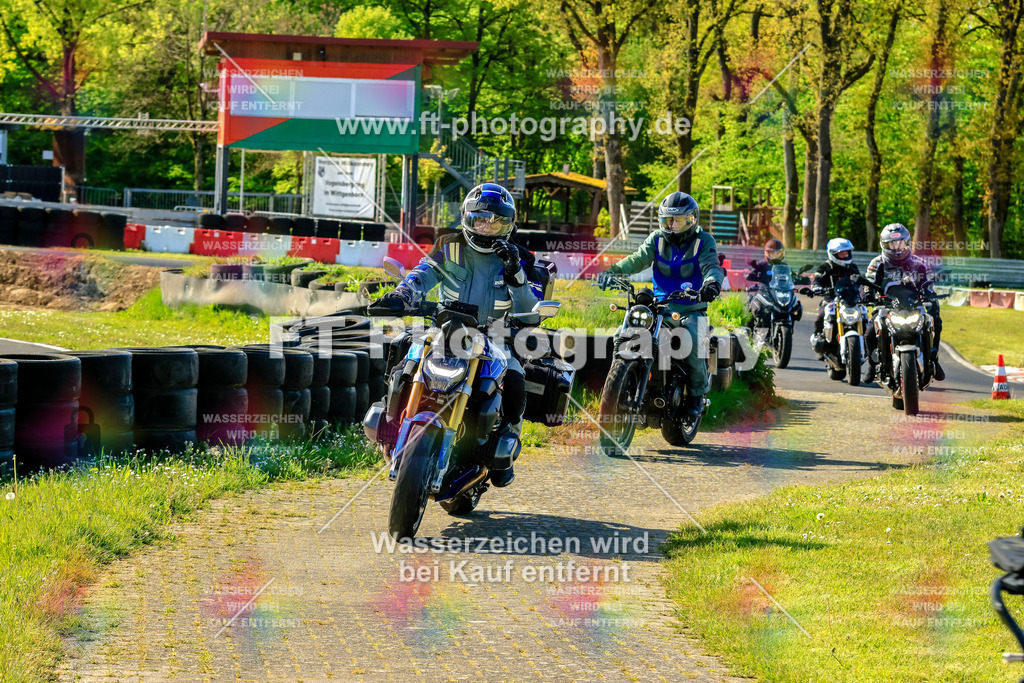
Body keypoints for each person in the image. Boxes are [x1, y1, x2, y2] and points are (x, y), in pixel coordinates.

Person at [377, 183, 540, 487]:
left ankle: (503, 452)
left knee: (516, 379)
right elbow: (424, 273)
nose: (488, 226)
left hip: (496, 334)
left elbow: (531, 313)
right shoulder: (450, 246)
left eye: (497, 221)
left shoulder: (522, 259)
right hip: (445, 326)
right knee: (404, 360)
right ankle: (389, 427)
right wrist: (402, 293)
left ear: (510, 224)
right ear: (468, 218)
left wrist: (515, 274)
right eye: (481, 219)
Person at [596, 192, 725, 420]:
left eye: (678, 220)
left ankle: (696, 398)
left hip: (690, 308)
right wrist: (612, 272)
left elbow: (711, 266)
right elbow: (637, 259)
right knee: (621, 335)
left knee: (693, 342)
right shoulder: (656, 239)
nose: (672, 226)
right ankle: (621, 384)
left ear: (692, 219)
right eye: (667, 220)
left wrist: (712, 284)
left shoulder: (704, 242)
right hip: (659, 306)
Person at [861, 223, 945, 383]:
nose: (896, 247)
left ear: (907, 242)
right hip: (886, 306)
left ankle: (934, 360)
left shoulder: (919, 263)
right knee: (871, 330)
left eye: (899, 243)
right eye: (891, 244)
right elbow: (868, 282)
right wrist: (866, 294)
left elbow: (927, 284)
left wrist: (930, 295)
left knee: (934, 320)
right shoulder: (877, 263)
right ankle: (872, 365)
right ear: (884, 245)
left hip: (914, 306)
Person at [809, 237, 861, 359]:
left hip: (851, 300)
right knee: (821, 316)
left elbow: (860, 282)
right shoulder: (825, 267)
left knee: (865, 317)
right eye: (842, 254)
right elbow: (817, 280)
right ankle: (819, 339)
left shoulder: (852, 267)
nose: (845, 255)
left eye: (847, 253)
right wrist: (816, 287)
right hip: (831, 300)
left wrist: (867, 289)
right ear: (833, 254)